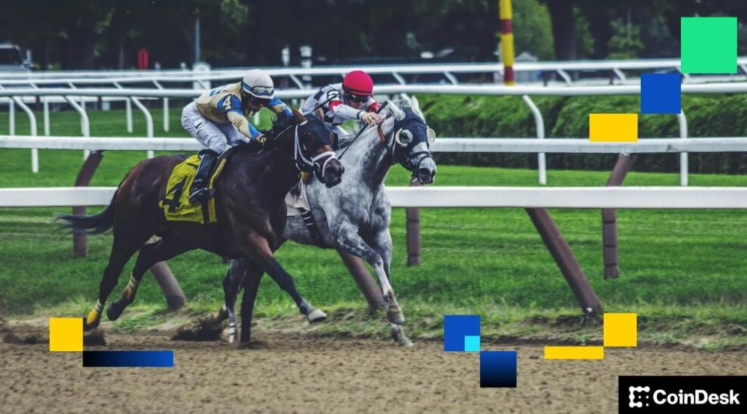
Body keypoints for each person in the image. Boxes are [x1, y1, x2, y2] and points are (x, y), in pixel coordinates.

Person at [182, 69, 293, 204]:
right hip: (196, 115)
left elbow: (283, 109)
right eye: (256, 101)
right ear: (245, 94)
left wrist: (300, 120)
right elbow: (240, 123)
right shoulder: (232, 98)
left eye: (264, 101)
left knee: (242, 142)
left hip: (220, 118)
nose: (260, 105)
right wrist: (260, 138)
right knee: (218, 142)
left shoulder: (256, 94)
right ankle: (197, 186)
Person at [300, 69, 381, 148]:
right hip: (305, 123)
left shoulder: (358, 95)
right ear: (346, 93)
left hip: (329, 127)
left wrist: (378, 116)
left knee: (352, 146)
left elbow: (375, 106)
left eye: (365, 98)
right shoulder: (332, 92)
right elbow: (338, 108)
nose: (360, 103)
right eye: (356, 98)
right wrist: (362, 114)